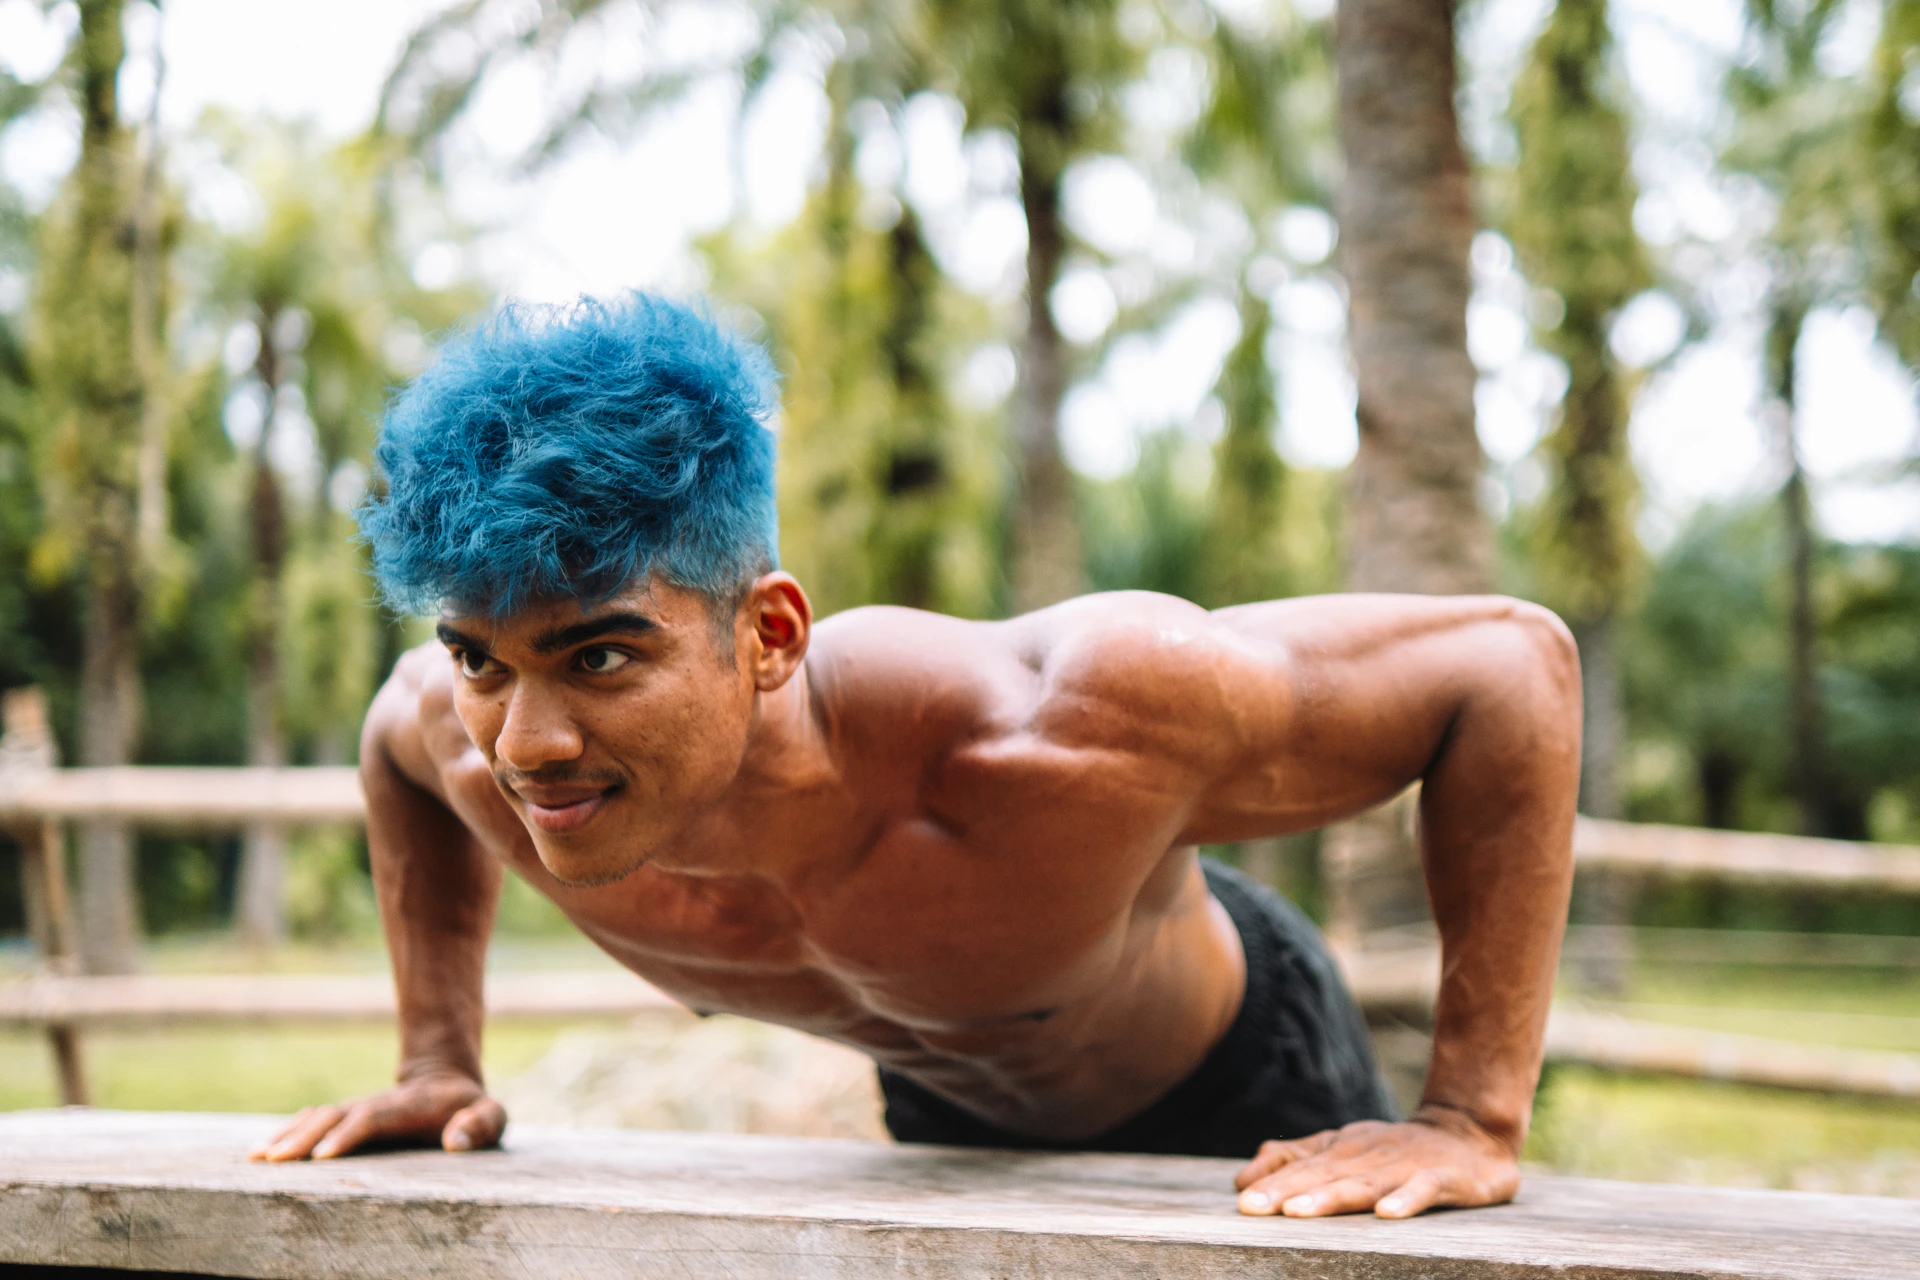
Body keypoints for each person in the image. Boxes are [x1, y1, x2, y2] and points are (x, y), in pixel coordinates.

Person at [249, 295, 1579, 1221]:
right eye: (483, 655)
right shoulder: (465, 734)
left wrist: (1468, 1115)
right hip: (947, 1117)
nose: (526, 743)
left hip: (1242, 1091)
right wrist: (438, 1058)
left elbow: (1509, 668)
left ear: (767, 634)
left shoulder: (1060, 725)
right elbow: (394, 741)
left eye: (599, 657)